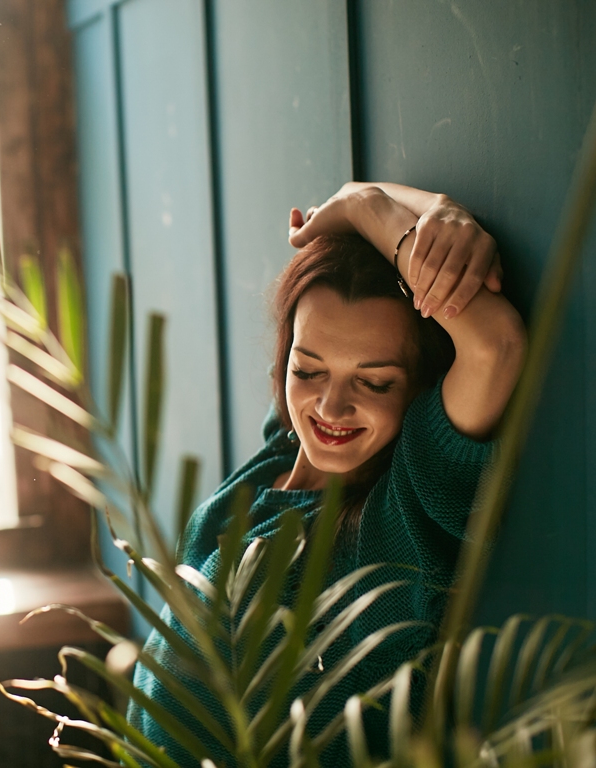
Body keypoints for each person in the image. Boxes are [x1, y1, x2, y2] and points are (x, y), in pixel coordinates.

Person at [127, 182, 527, 765]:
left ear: (417, 389)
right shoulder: (279, 456)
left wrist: (368, 209)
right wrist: (429, 208)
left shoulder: (404, 512)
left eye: (373, 382)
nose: (330, 409)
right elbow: (331, 239)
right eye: (308, 370)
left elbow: (497, 345)